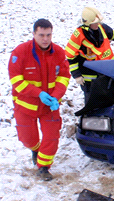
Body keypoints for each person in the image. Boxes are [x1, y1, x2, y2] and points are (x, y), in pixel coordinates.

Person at [8, 19, 70, 181]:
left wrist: (56, 96)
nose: (45, 39)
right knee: (28, 138)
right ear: (34, 34)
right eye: (41, 35)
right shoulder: (20, 52)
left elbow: (64, 77)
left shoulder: (58, 52)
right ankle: (35, 149)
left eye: (48, 35)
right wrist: (38, 93)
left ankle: (43, 167)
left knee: (51, 137)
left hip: (49, 106)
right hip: (25, 106)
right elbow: (16, 81)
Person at [65, 7, 114, 102]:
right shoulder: (78, 36)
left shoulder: (101, 27)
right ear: (88, 24)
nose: (98, 24)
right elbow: (71, 56)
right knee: (91, 98)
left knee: (108, 94)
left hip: (107, 69)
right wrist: (77, 75)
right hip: (89, 76)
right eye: (95, 23)